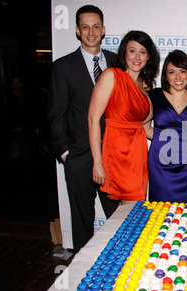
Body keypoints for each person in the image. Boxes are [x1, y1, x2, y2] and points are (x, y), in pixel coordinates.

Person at [47, 5, 119, 252]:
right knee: (81, 224)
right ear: (77, 31)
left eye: (96, 26)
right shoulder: (63, 67)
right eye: (85, 27)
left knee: (118, 221)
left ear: (104, 30)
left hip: (112, 156)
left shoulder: (117, 62)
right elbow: (56, 114)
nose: (91, 32)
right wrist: (66, 155)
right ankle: (82, 277)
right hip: (79, 156)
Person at [89, 30, 159, 204]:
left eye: (142, 52)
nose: (137, 57)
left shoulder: (144, 87)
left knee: (133, 210)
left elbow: (145, 128)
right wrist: (98, 163)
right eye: (132, 50)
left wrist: (176, 137)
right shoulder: (111, 75)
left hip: (138, 153)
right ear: (124, 52)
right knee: (130, 207)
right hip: (117, 151)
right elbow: (92, 119)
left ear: (148, 57)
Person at [147, 50, 187, 203]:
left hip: (186, 166)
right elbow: (143, 126)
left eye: (182, 71)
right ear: (166, 75)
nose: (178, 77)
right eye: (172, 72)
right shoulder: (155, 95)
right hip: (160, 165)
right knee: (159, 215)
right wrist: (164, 138)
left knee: (181, 215)